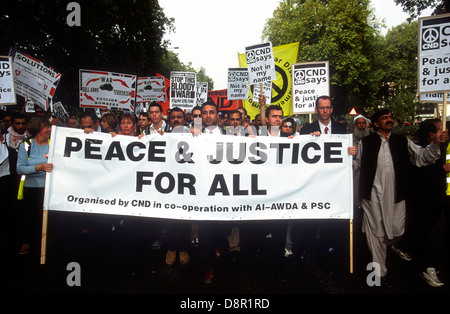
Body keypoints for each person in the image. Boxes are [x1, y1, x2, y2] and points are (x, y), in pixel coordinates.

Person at [353, 108, 442, 286]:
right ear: (376, 123)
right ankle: (379, 274)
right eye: (385, 118)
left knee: (397, 230)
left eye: (391, 117)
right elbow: (357, 163)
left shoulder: (402, 141)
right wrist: (344, 161)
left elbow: (422, 158)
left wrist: (435, 144)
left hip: (396, 194)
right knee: (376, 232)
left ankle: (392, 247)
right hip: (372, 195)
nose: (389, 120)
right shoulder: (366, 142)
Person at [295, 96, 354, 274]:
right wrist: (309, 140)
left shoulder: (341, 129)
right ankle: (304, 253)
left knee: (332, 222)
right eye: (321, 108)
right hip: (314, 183)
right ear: (316, 110)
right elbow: (298, 153)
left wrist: (351, 152)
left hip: (335, 184)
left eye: (328, 107)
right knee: (313, 221)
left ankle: (325, 256)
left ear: (332, 109)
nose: (325, 111)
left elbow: (345, 154)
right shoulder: (307, 129)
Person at [403, 119, 448, 287]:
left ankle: (403, 245)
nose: (443, 132)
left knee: (423, 229)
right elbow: (422, 167)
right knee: (425, 236)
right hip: (420, 201)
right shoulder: (417, 150)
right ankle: (427, 268)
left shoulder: (442, 146)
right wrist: (443, 168)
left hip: (437, 200)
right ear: (431, 134)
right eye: (439, 129)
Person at [16, 117, 53, 264]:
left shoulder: (54, 144)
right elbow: (20, 168)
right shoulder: (26, 145)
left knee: (46, 222)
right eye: (46, 127)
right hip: (31, 190)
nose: (49, 129)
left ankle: (45, 251)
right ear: (37, 128)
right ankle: (33, 252)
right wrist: (38, 168)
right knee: (32, 222)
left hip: (49, 190)